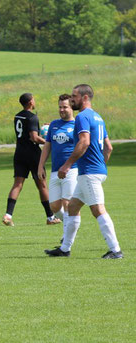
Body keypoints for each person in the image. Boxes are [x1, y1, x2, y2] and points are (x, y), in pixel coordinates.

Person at [45, 84, 123, 259]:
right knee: (72, 207)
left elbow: (84, 142)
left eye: (74, 96)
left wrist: (67, 165)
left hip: (88, 172)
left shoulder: (82, 117)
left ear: (85, 97)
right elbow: (108, 147)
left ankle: (116, 250)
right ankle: (65, 249)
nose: (72, 99)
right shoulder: (98, 117)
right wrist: (100, 165)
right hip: (94, 171)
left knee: (98, 210)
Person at [2, 93, 61, 226]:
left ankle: (8, 215)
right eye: (33, 99)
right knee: (42, 185)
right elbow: (34, 138)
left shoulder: (17, 116)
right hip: (33, 154)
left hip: (19, 153)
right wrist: (47, 141)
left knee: (17, 184)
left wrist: (43, 129)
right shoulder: (33, 117)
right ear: (30, 102)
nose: (34, 101)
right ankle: (50, 217)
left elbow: (27, 132)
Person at [38, 94, 77, 242]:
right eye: (60, 107)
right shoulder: (54, 125)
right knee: (54, 206)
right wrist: (40, 166)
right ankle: (72, 223)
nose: (62, 109)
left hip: (71, 170)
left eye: (65, 107)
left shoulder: (77, 125)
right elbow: (47, 147)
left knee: (67, 204)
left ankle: (66, 238)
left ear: (71, 107)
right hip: (55, 171)